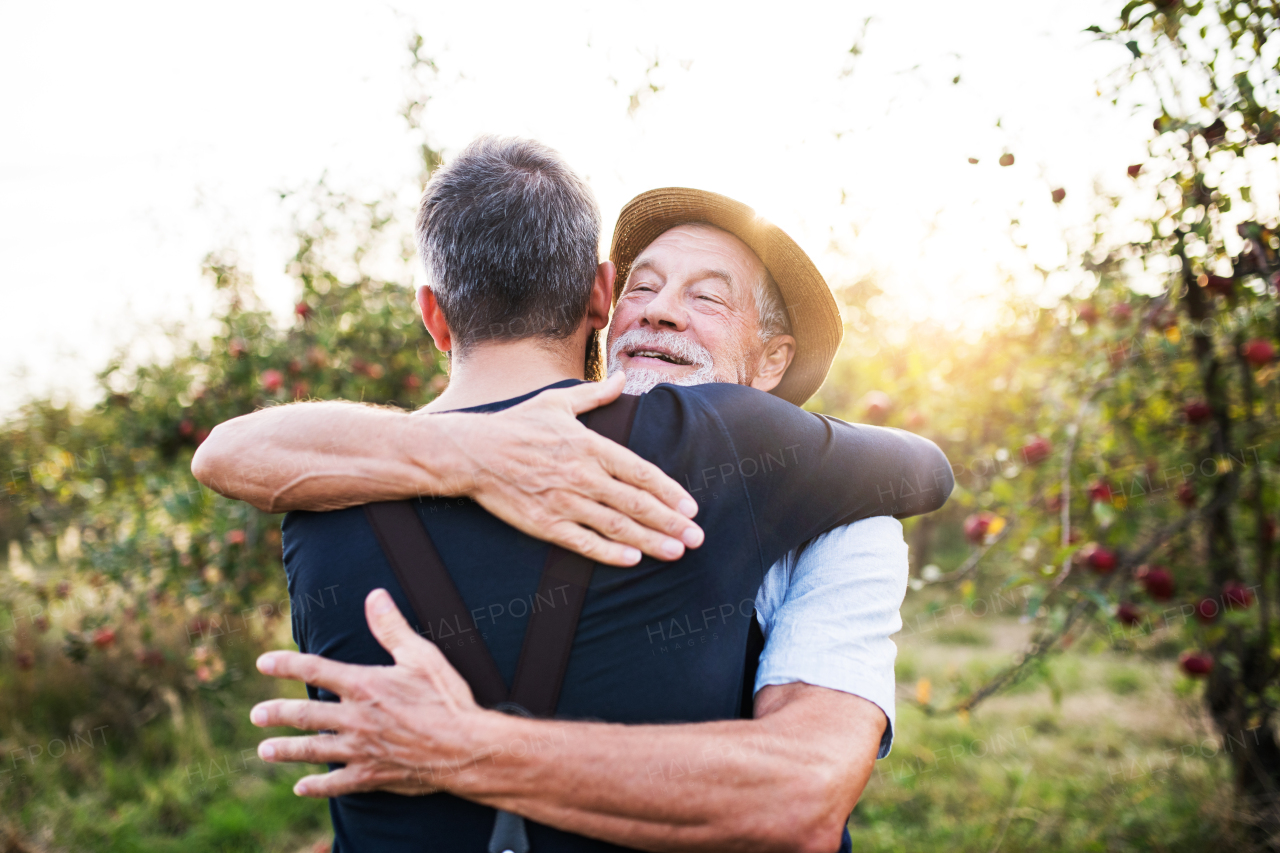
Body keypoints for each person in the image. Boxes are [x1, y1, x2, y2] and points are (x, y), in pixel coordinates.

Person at [193, 136, 953, 852]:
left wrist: (466, 749)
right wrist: (474, 451)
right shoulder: (353, 467)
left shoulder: (319, 504)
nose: (658, 308)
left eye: (708, 297)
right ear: (601, 298)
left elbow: (801, 793)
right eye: (642, 286)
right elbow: (227, 452)